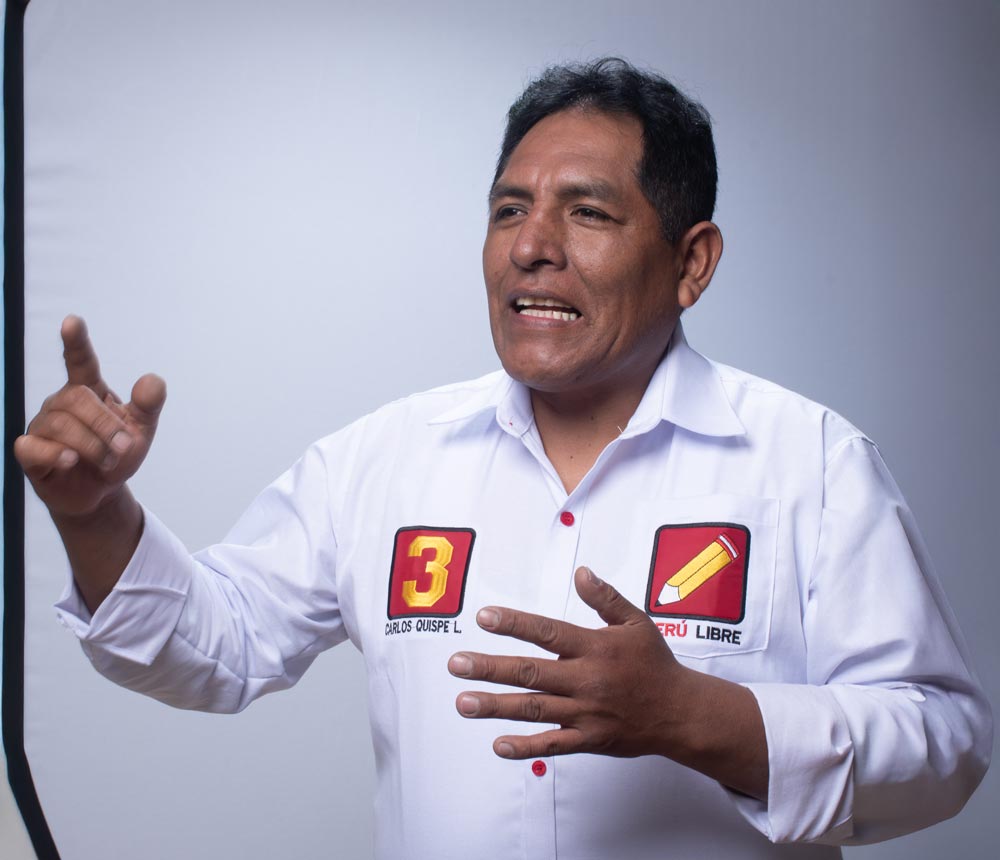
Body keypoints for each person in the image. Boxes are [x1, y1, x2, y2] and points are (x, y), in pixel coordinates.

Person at [15, 58, 991, 858]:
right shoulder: (383, 459)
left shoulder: (811, 463)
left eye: (587, 213)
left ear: (690, 262)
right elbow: (215, 647)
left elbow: (943, 746)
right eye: (508, 209)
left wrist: (697, 715)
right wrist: (94, 516)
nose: (531, 247)